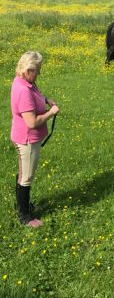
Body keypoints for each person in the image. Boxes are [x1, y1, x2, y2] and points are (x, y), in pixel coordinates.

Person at [10, 51, 59, 228]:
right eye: (37, 69)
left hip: (24, 138)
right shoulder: (24, 90)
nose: (39, 73)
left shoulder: (23, 81)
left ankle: (22, 206)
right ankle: (25, 216)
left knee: (24, 173)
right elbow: (32, 122)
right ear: (29, 69)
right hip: (27, 139)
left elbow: (33, 98)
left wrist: (44, 99)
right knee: (27, 177)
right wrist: (51, 113)